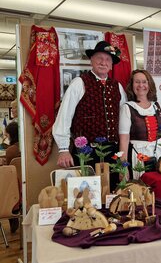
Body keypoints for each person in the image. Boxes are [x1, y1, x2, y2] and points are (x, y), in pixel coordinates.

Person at [52, 41, 127, 190]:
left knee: (113, 192)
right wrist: (63, 149)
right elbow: (64, 116)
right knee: (86, 195)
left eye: (107, 60)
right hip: (86, 153)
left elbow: (124, 120)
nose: (103, 62)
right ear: (91, 60)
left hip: (113, 153)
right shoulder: (79, 83)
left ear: (111, 65)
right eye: (99, 58)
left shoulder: (117, 86)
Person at [119, 69, 161, 178]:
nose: (141, 85)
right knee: (142, 188)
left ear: (149, 84)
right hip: (138, 155)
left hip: (160, 154)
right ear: (132, 85)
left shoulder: (158, 106)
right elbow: (124, 140)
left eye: (144, 82)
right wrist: (123, 166)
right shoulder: (127, 108)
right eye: (137, 82)